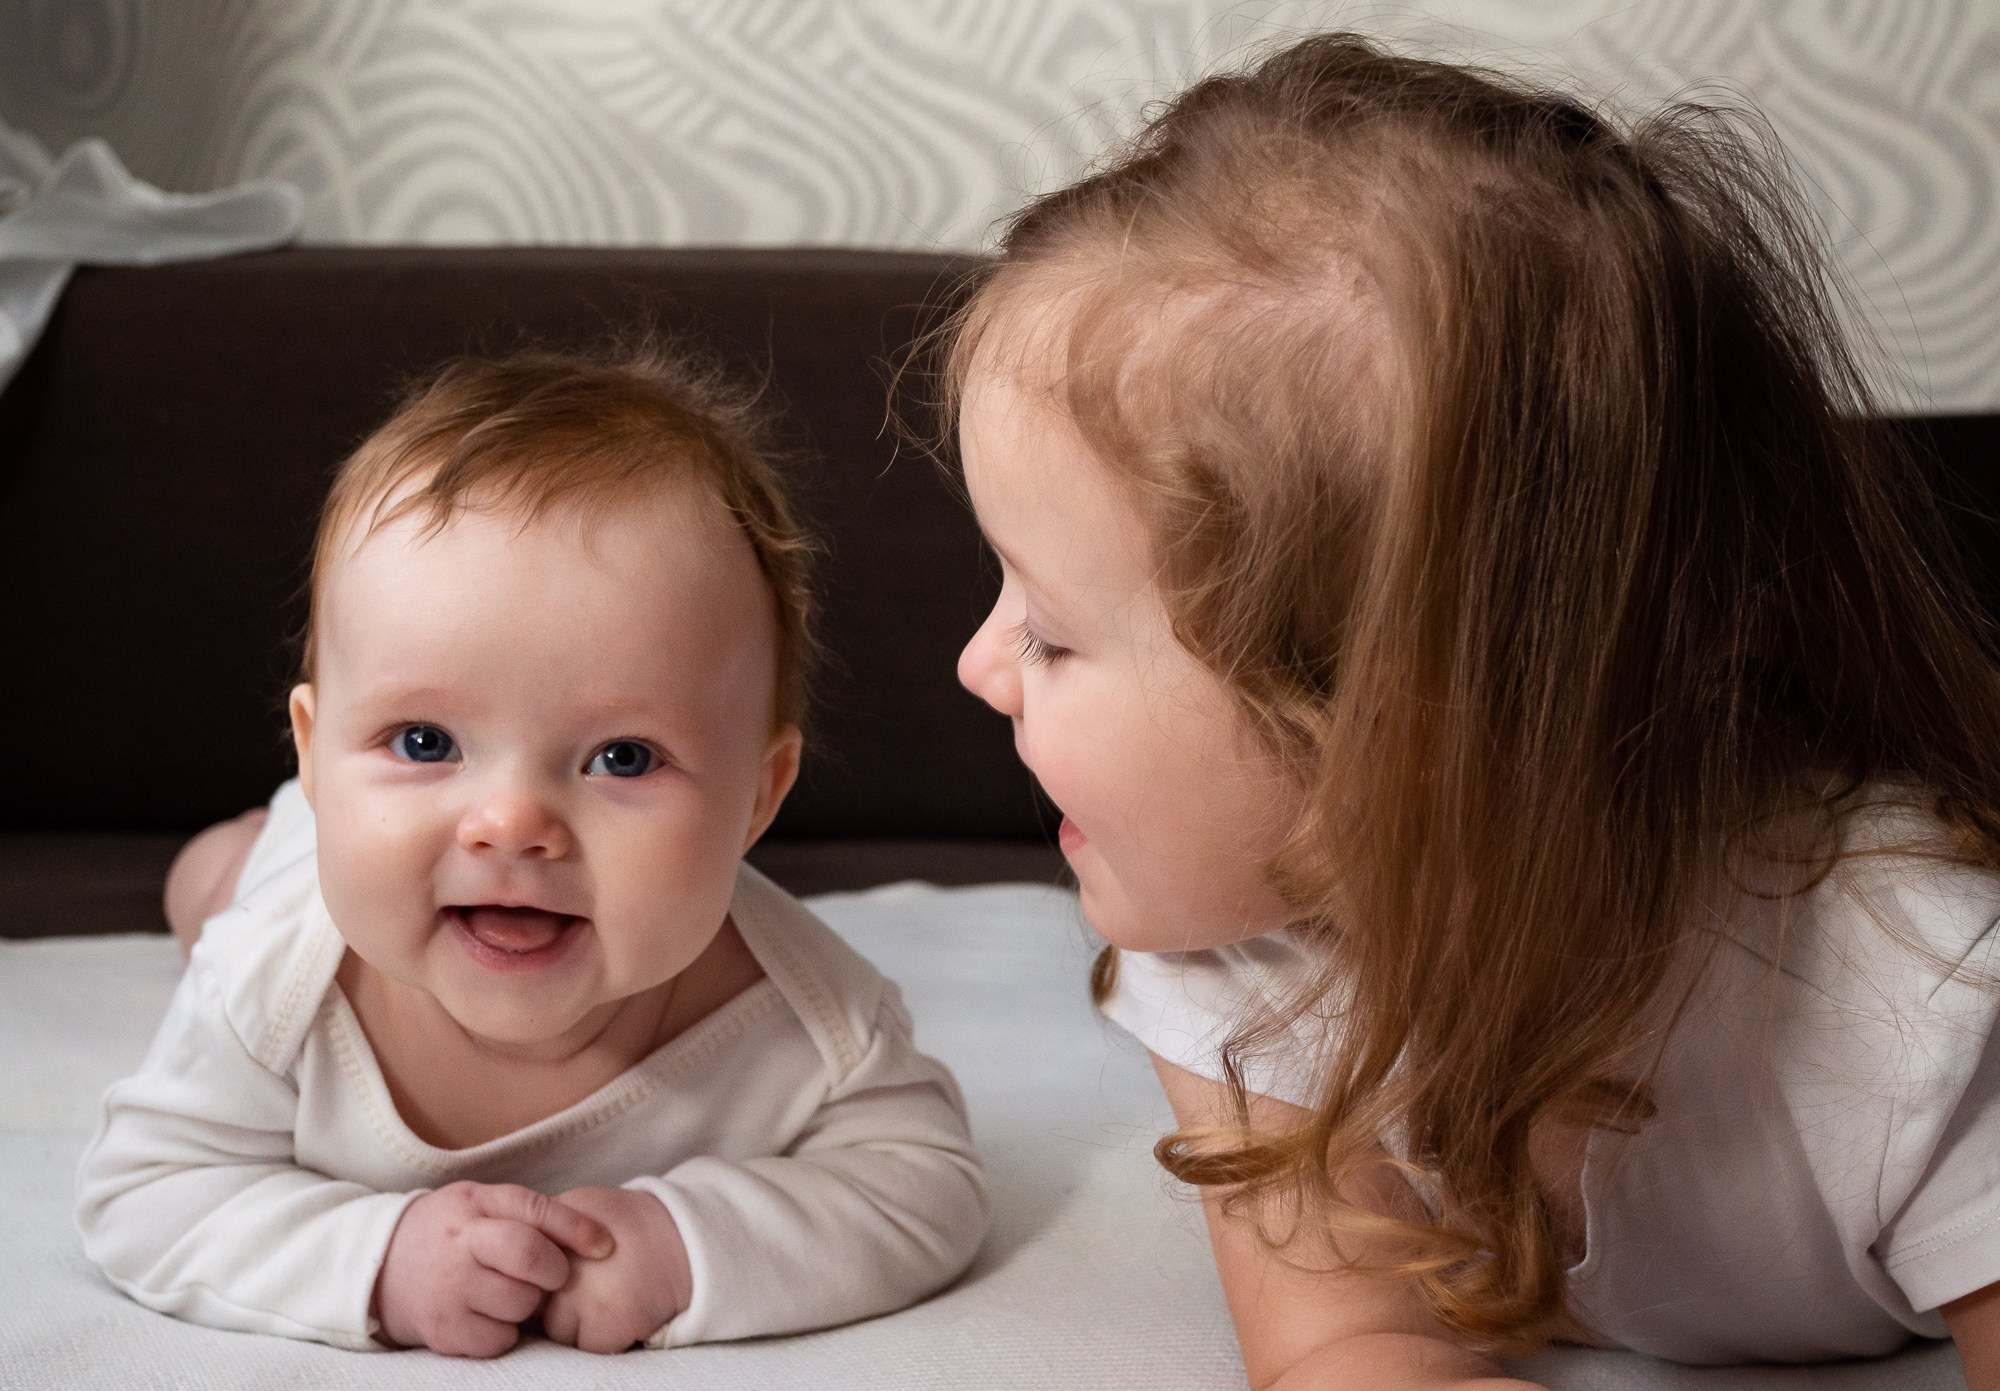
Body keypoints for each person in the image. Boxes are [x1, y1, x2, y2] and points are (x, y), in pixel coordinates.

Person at [949, 32, 2000, 1390]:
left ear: (1394, 739)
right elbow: (1355, 1339)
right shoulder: (1237, 932)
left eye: (1050, 630)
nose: (977, 664)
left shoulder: (1922, 996)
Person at [77, 350, 988, 1358]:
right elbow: (148, 1189)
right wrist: (381, 1257)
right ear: (315, 745)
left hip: (391, 854)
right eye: (423, 739)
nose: (511, 822)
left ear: (757, 794)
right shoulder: (272, 979)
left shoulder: (812, 1020)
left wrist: (687, 1246)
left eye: (621, 756)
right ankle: (256, 837)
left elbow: (924, 1181)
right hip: (295, 864)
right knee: (217, 888)